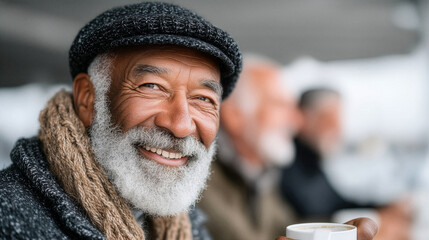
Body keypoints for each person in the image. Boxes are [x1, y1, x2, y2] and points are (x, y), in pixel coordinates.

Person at [0, 2, 377, 240]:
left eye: (203, 99)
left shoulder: (182, 219)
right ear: (88, 98)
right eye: (151, 86)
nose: (181, 125)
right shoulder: (10, 215)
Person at [280, 88, 360, 218]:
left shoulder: (313, 161)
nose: (338, 128)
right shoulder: (285, 161)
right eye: (329, 119)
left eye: (339, 119)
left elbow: (338, 203)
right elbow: (309, 216)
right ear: (303, 118)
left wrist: (384, 209)